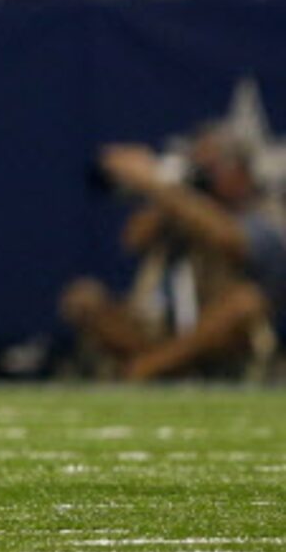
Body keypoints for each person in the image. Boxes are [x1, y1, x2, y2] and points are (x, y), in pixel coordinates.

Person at [66, 128, 286, 380]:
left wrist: (160, 187)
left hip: (220, 339)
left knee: (245, 304)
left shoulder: (263, 211)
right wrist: (163, 193)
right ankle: (164, 366)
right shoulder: (179, 205)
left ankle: (149, 368)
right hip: (162, 328)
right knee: (83, 298)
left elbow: (230, 240)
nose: (205, 173)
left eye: (214, 166)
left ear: (241, 171)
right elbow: (133, 240)